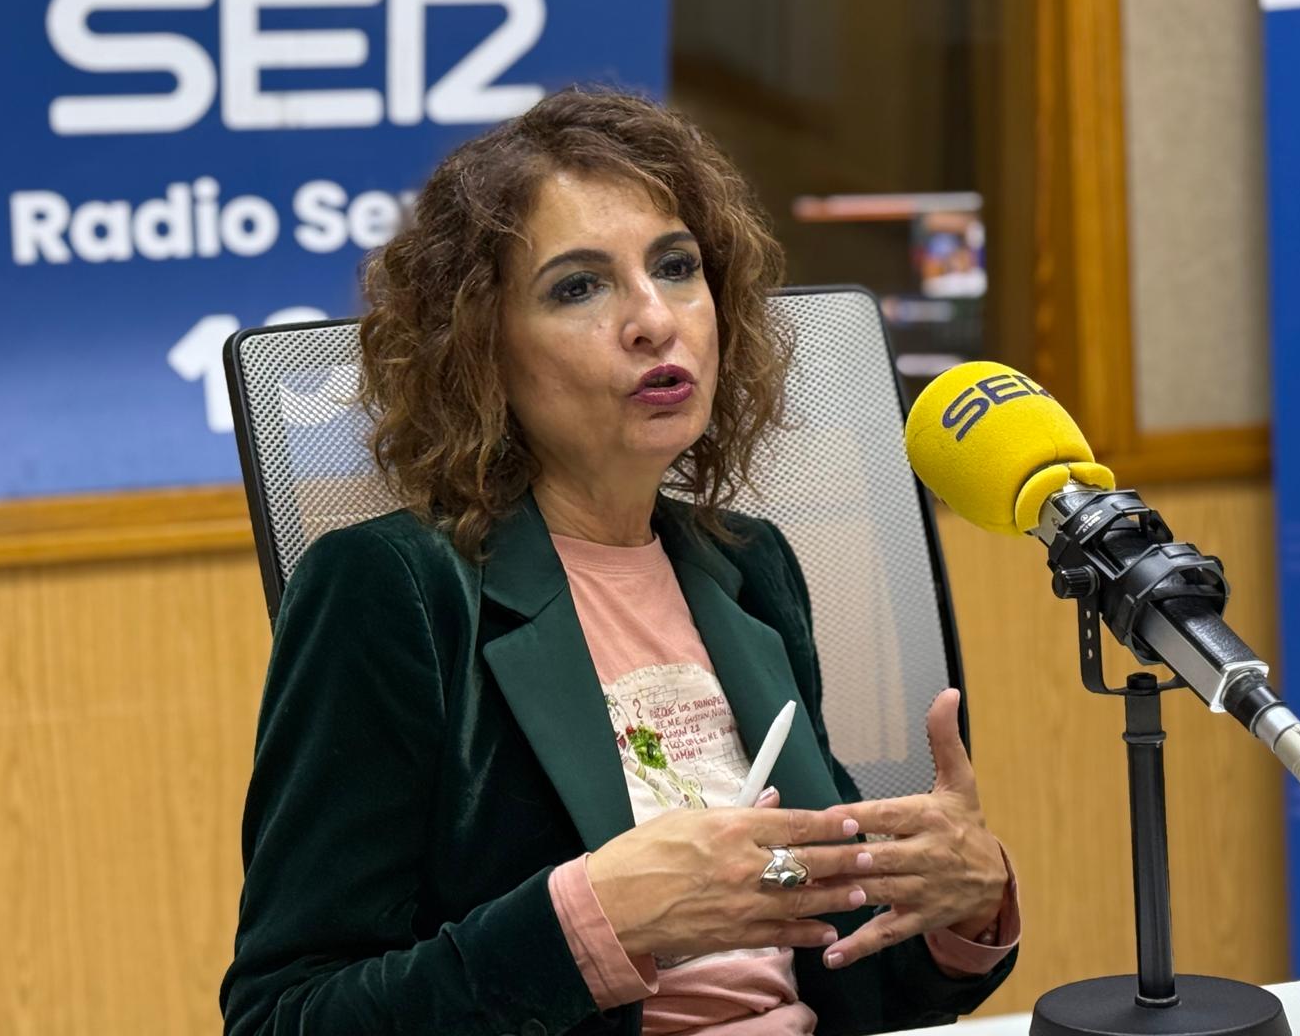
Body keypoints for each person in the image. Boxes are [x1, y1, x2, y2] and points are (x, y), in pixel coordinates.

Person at [220, 88, 1020, 1036]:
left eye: (677, 268)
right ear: (480, 351)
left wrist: (958, 901)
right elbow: (285, 1017)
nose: (653, 318)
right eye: (579, 286)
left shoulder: (751, 569)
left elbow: (847, 976)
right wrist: (593, 922)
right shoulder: (394, 591)